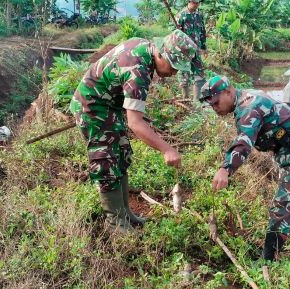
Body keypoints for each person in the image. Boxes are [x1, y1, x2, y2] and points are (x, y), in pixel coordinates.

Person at [70, 29, 198, 233]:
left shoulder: (144, 47)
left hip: (109, 106)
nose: (174, 73)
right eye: (174, 66)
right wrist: (167, 149)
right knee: (107, 160)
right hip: (92, 108)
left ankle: (124, 212)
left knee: (121, 153)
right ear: (161, 54)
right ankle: (114, 222)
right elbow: (135, 123)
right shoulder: (138, 70)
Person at [200, 75, 290, 261]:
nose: (215, 108)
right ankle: (270, 253)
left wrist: (226, 169)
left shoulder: (248, 109)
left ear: (228, 91)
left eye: (216, 103)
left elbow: (244, 143)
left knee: (283, 208)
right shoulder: (244, 99)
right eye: (211, 105)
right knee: (281, 205)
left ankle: (269, 262)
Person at [176, 0, 206, 101]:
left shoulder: (199, 15)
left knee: (199, 72)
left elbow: (202, 31)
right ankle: (185, 98)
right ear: (189, 1)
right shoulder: (181, 15)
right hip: (185, 50)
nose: (197, 5)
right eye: (195, 3)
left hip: (196, 50)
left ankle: (196, 100)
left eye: (198, 3)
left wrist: (204, 47)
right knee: (184, 73)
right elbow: (175, 33)